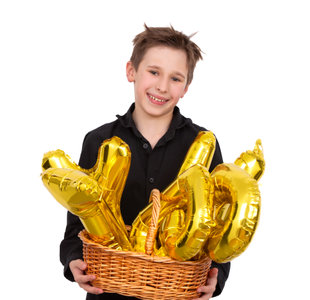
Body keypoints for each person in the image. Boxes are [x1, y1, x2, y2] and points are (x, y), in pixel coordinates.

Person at [60, 24, 231, 299]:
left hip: (177, 293)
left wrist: (217, 277)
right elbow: (76, 226)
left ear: (186, 87)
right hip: (109, 293)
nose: (162, 87)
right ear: (131, 71)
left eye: (176, 78)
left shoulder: (204, 144)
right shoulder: (98, 141)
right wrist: (72, 261)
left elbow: (218, 224)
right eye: (154, 72)